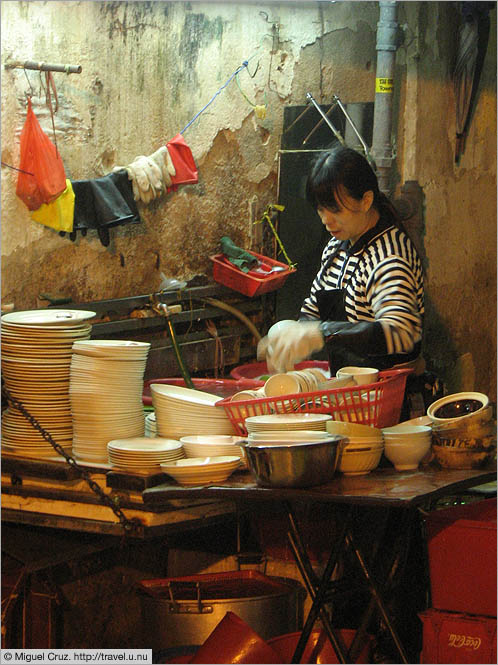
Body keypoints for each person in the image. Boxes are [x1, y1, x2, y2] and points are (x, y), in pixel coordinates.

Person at [258, 145, 425, 376]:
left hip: (389, 391)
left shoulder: (389, 257)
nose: (326, 220)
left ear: (365, 201)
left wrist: (320, 333)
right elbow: (315, 306)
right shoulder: (336, 247)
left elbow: (401, 333)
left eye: (335, 210)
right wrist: (294, 332)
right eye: (320, 210)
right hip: (348, 386)